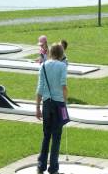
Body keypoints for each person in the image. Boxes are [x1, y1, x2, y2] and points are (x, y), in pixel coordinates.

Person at [36, 43, 68, 174]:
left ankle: (41, 165)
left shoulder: (43, 66)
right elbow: (64, 86)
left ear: (50, 53)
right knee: (56, 137)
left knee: (46, 136)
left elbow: (39, 88)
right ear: (61, 54)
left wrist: (37, 107)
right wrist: (65, 101)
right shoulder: (62, 66)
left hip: (47, 104)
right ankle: (53, 168)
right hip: (58, 103)